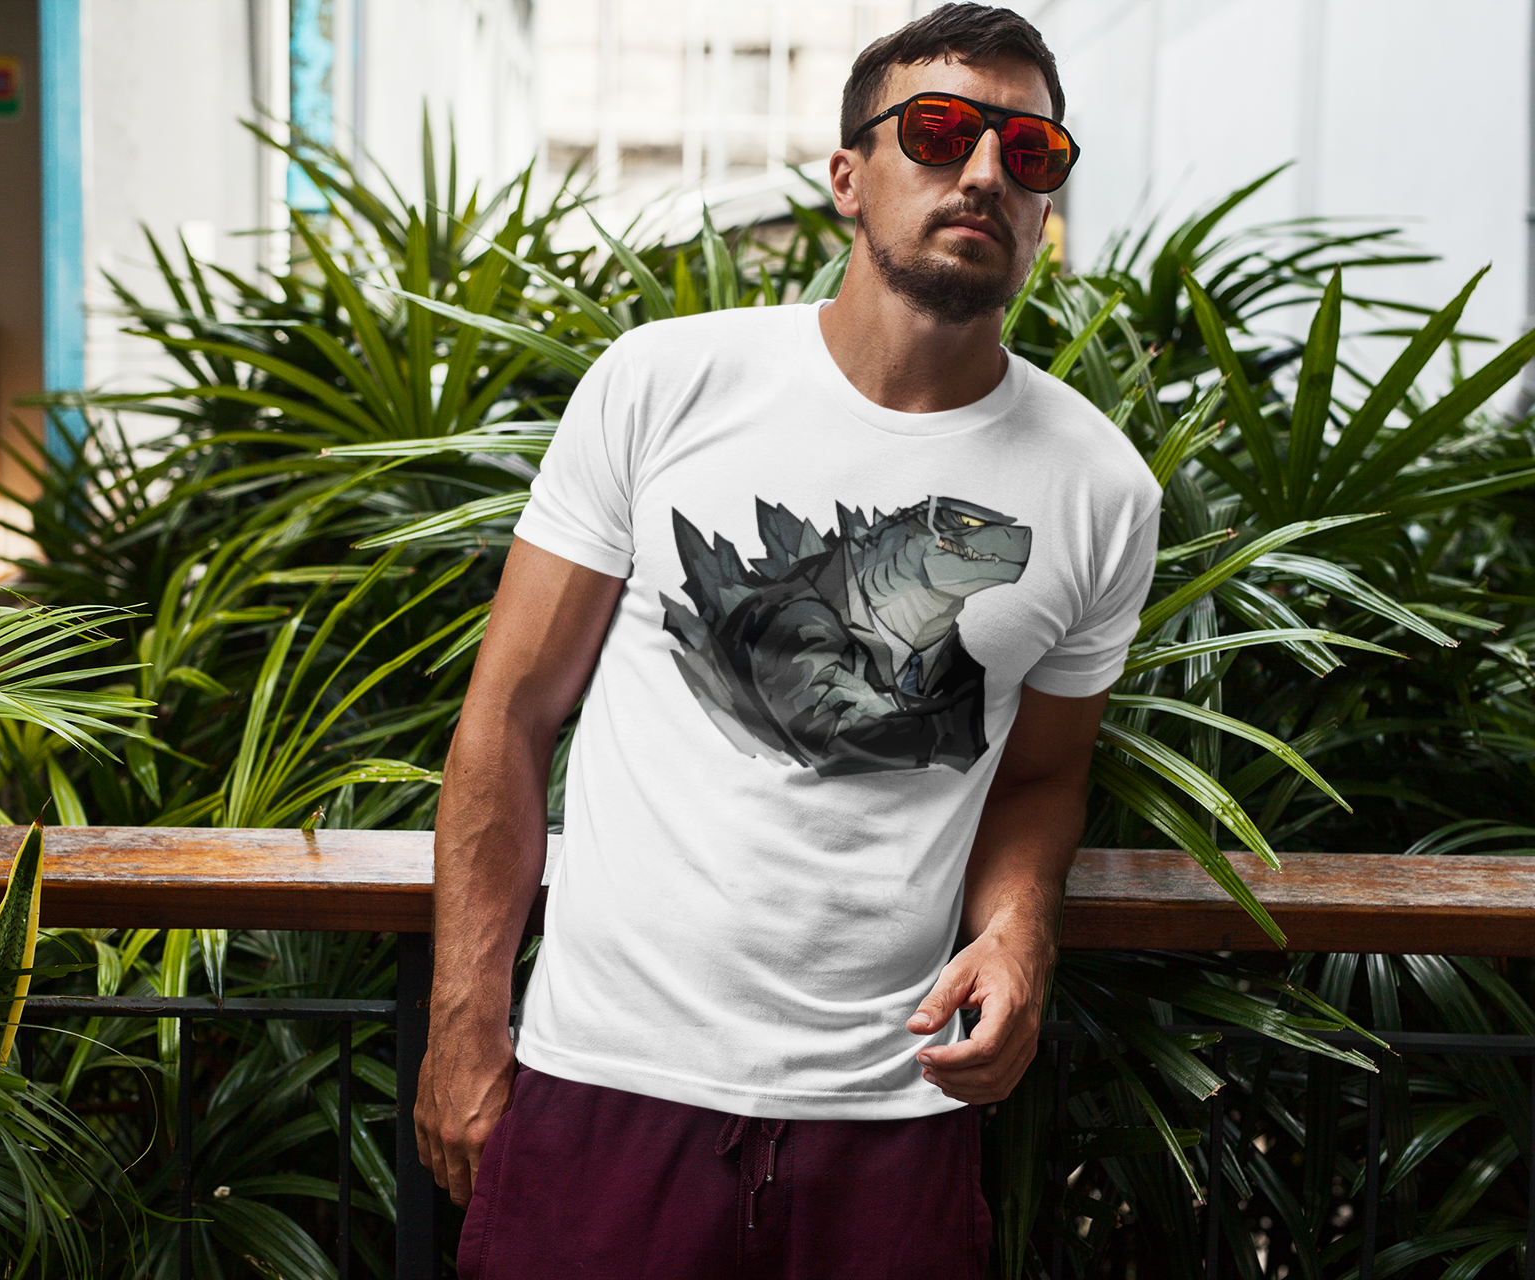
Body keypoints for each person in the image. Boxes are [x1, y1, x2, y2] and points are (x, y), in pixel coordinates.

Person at [417, 4, 1160, 1275]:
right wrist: (464, 1023)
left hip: (895, 1107)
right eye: (940, 131)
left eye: (1030, 151)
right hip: (607, 1082)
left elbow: (1040, 775)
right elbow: (509, 717)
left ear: (1046, 203)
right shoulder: (662, 383)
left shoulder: (1101, 490)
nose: (987, 170)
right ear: (847, 177)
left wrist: (1018, 930)